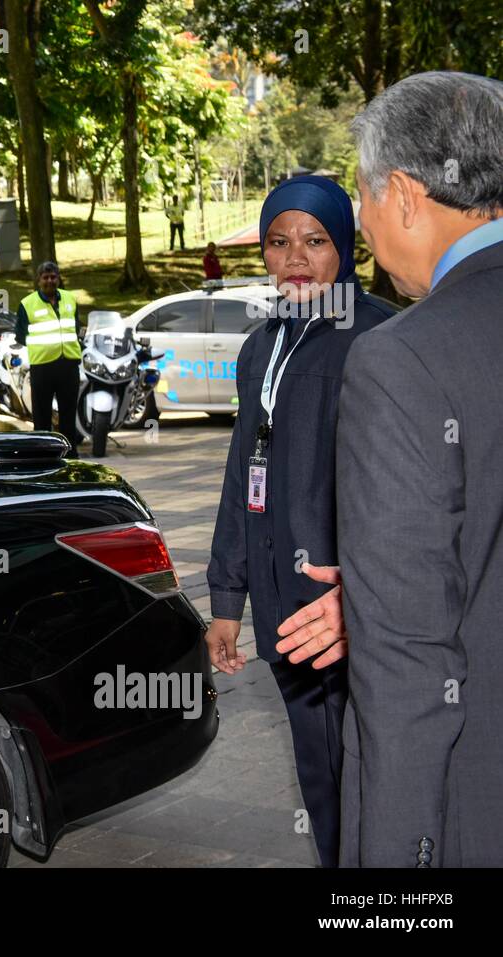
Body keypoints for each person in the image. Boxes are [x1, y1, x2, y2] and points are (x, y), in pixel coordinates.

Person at [335, 71, 503, 867]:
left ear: (402, 194)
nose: (363, 224)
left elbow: (408, 671)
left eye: (362, 198)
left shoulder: (401, 361)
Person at [205, 174, 397, 868]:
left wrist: (369, 587)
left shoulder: (377, 336)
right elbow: (240, 475)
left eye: (315, 241)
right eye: (279, 242)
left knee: (373, 776)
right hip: (282, 607)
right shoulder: (261, 346)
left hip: (351, 604)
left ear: (345, 246)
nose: (295, 258)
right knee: (319, 772)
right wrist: (227, 598)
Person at [15, 261, 80, 455]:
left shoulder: (70, 299)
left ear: (58, 279)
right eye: (45, 278)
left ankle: (70, 456)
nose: (50, 281)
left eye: (53, 277)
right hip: (42, 367)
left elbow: (75, 327)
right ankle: (42, 456)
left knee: (68, 415)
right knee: (42, 417)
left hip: (68, 365)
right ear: (38, 280)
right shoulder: (27, 304)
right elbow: (20, 335)